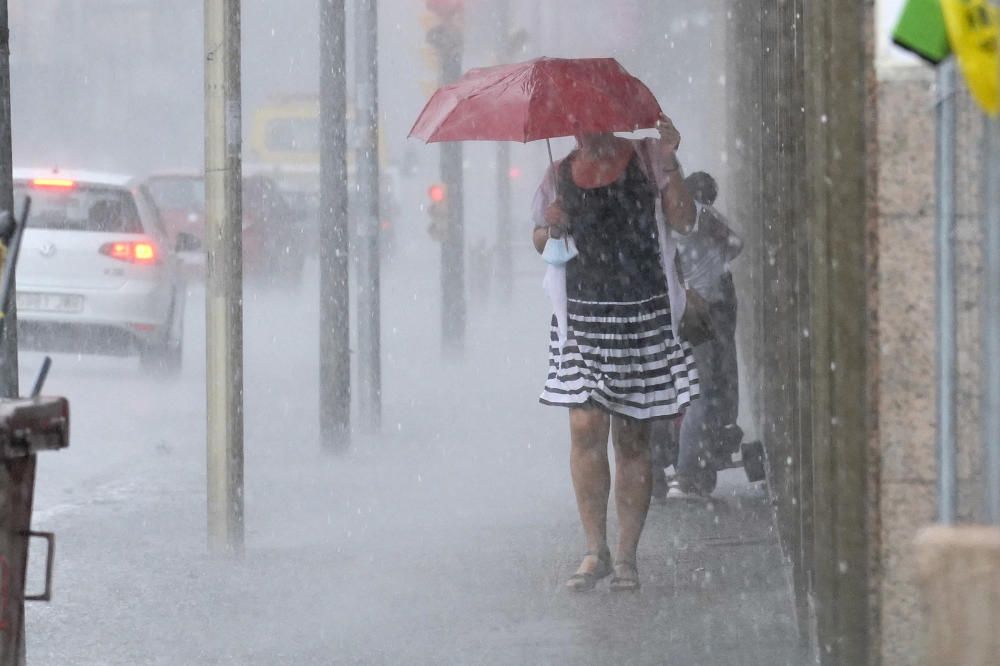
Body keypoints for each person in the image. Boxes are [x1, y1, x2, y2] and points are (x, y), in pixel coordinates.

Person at [531, 114, 699, 592]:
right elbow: (540, 243)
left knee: (631, 438)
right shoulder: (558, 173)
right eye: (577, 124)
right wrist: (551, 224)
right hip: (582, 316)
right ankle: (594, 550)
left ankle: (626, 557)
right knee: (585, 428)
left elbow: (683, 220)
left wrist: (670, 167)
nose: (586, 132)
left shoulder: (647, 159)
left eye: (594, 121)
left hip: (640, 314)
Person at [665, 171, 744, 498]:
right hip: (711, 307)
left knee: (687, 383)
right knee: (711, 386)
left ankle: (678, 461)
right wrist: (718, 252)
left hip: (683, 310)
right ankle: (688, 470)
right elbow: (737, 244)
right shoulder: (705, 214)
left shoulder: (671, 221)